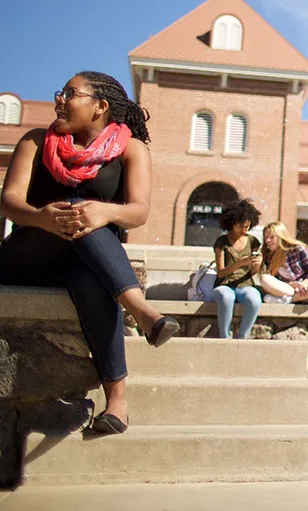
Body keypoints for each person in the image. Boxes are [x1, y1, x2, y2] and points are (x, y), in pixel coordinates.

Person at [0, 71, 181, 435]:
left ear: (100, 106)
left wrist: (107, 212)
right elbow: (8, 202)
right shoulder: (36, 141)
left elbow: (138, 211)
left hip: (88, 263)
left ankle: (117, 402)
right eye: (60, 93)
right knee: (75, 206)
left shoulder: (131, 149)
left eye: (70, 93)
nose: (60, 100)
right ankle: (141, 310)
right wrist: (40, 218)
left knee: (89, 274)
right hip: (31, 253)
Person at [211, 198, 262, 339]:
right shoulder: (221, 242)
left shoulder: (253, 241)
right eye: (240, 226)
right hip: (224, 284)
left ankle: (242, 337)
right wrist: (240, 263)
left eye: (247, 226)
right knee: (227, 297)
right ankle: (224, 336)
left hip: (245, 285)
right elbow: (221, 273)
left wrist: (257, 264)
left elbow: (252, 273)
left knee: (255, 299)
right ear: (232, 223)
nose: (244, 230)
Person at [258, 221, 308, 304]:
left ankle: (290, 300)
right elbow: (274, 282)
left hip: (305, 286)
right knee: (264, 278)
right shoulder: (269, 257)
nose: (267, 240)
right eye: (266, 238)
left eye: (272, 237)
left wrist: (304, 283)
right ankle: (305, 298)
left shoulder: (298, 249)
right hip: (287, 289)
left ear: (281, 236)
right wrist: (292, 284)